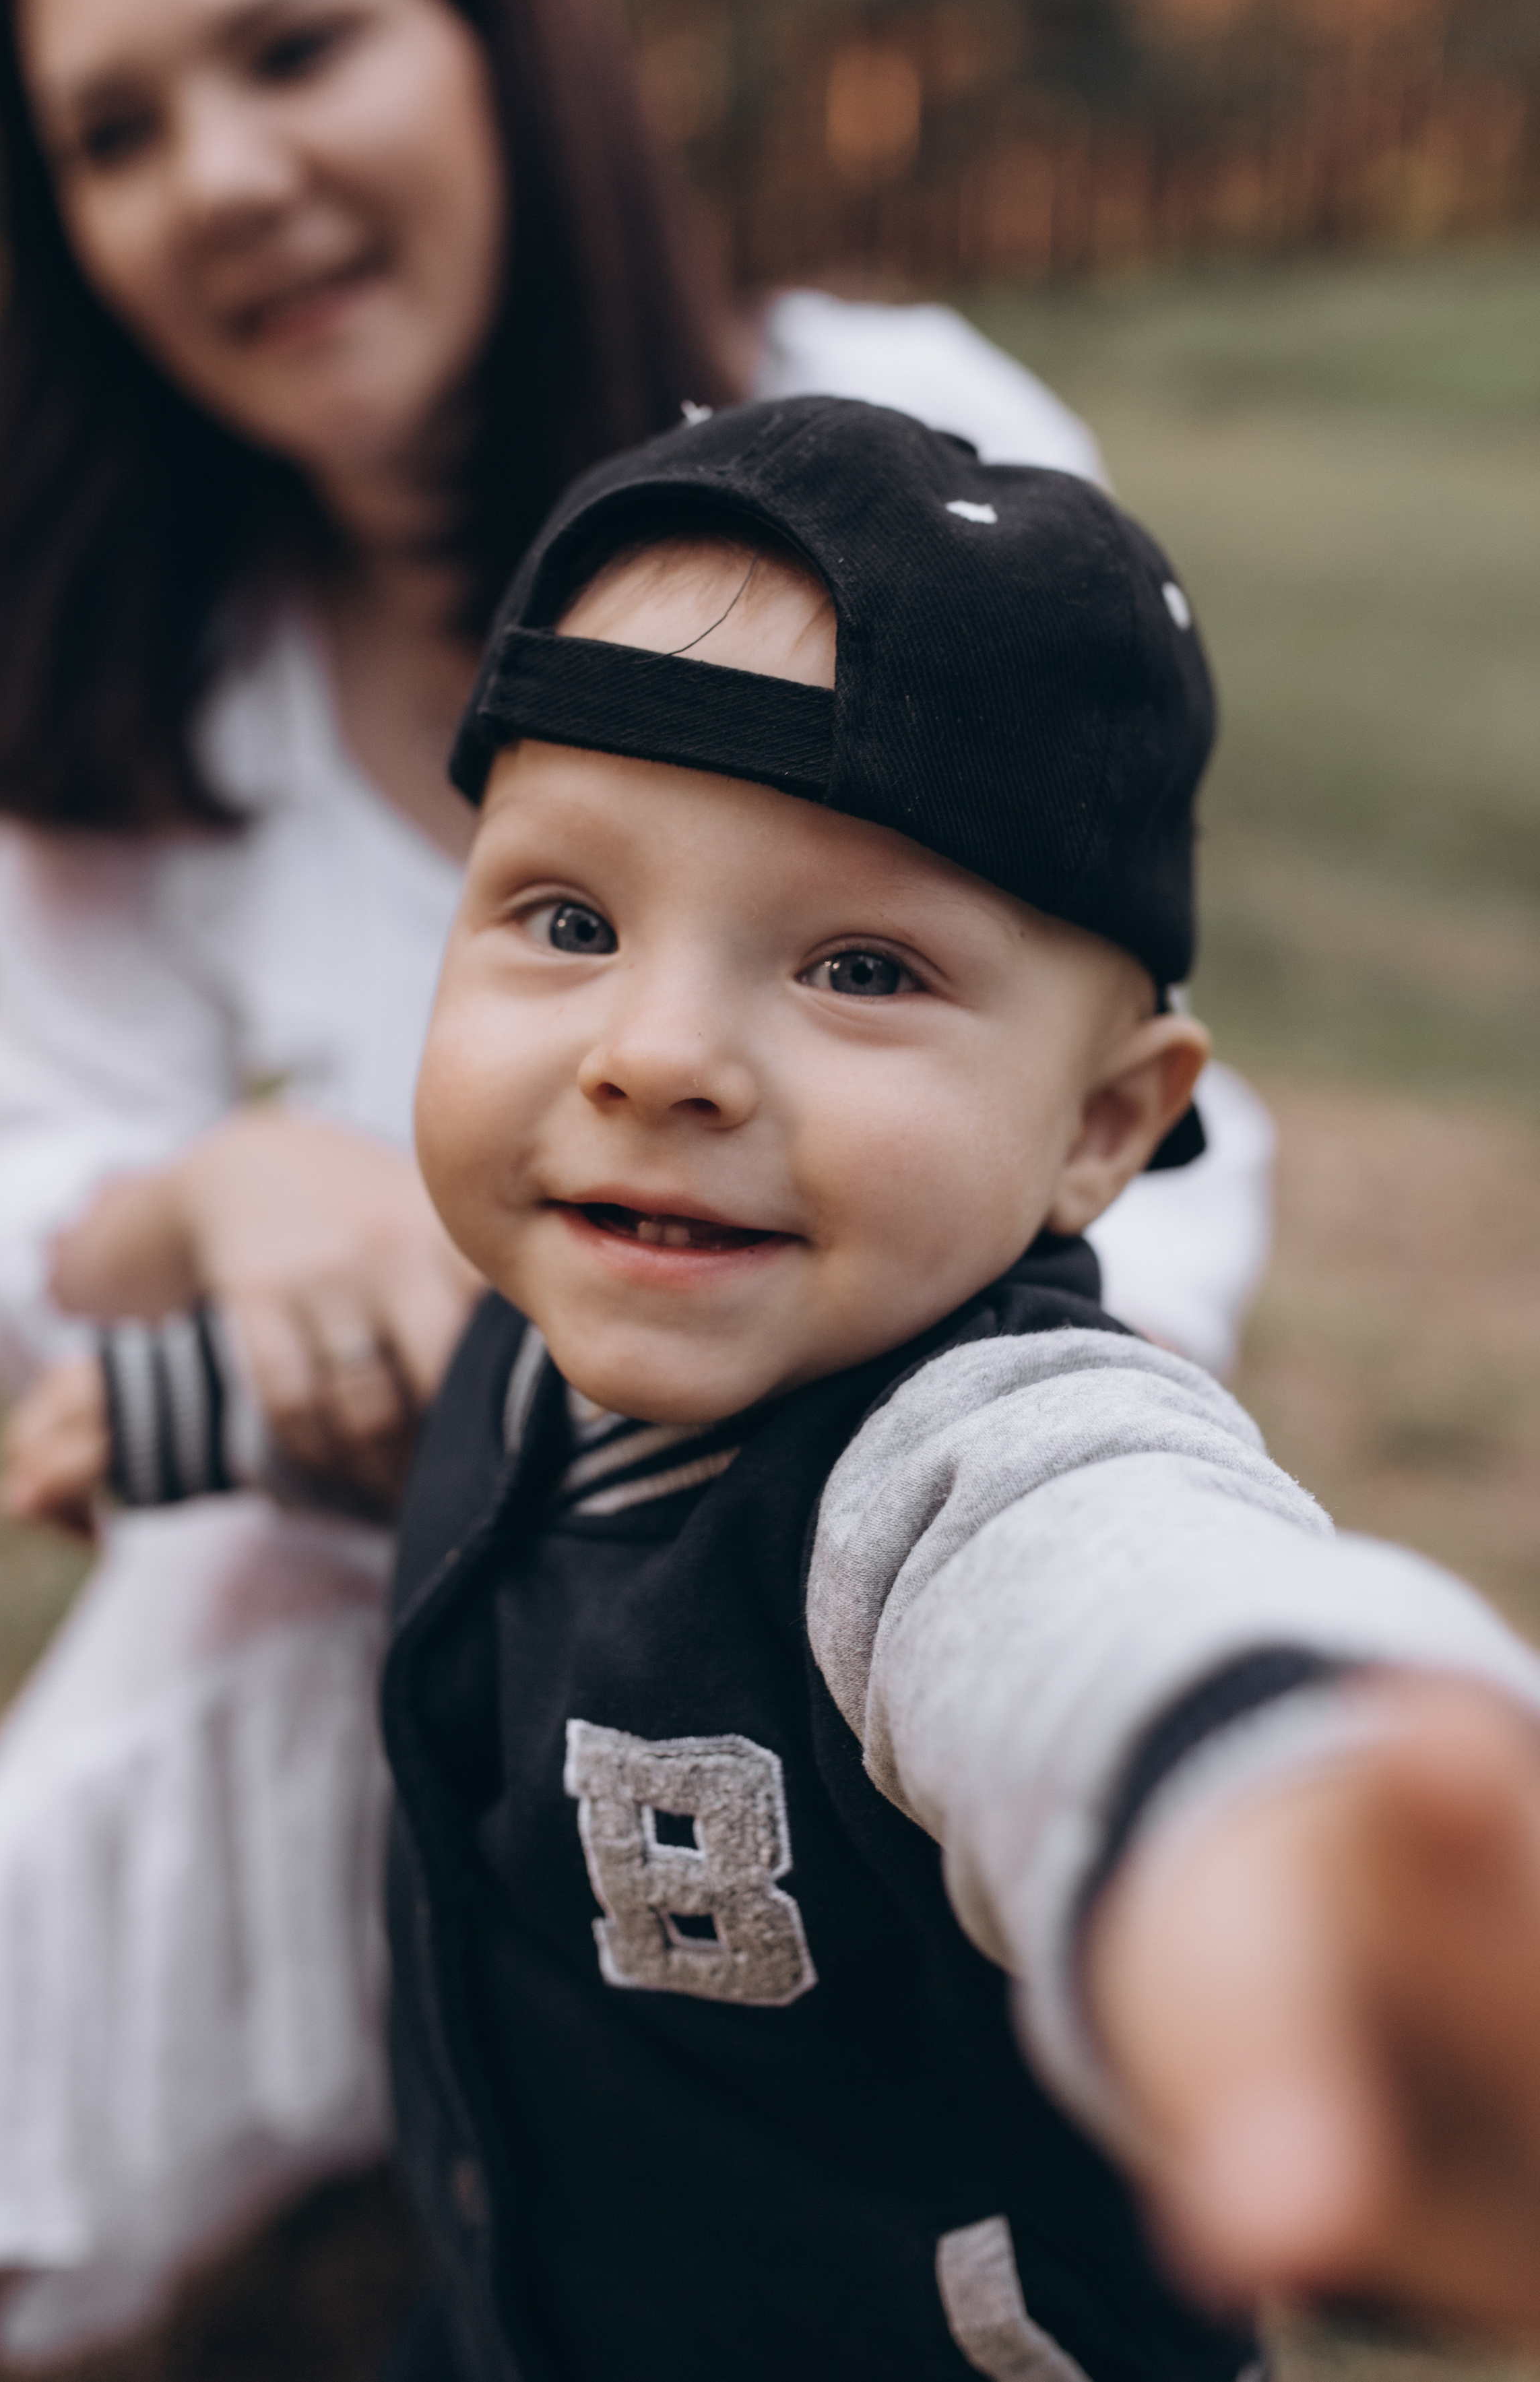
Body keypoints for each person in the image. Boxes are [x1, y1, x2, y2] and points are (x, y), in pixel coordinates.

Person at [0, 0, 1268, 2375]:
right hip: (379, 1518)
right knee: (224, 1604)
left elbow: (1156, 1173)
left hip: (859, 1497)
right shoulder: (152, 635)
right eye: (117, 132)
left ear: (498, 47)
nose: (227, 176)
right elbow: (12, 1176)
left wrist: (892, 1428)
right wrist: (226, 1206)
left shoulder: (896, 442)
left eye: (293, 48)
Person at [380, 394, 1540, 2382]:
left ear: (1102, 1124)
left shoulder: (963, 1465)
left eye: (860, 968)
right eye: (568, 921)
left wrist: (1272, 1817)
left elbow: (1119, 1608)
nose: (658, 1054)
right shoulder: (554, 1305)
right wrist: (171, 1404)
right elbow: (410, 1402)